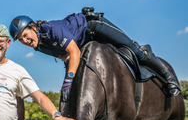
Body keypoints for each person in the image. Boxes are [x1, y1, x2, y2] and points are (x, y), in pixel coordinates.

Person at [9, 8, 181, 102]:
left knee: (135, 51)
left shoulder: (51, 29)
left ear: (33, 27)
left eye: (25, 35)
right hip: (83, 42)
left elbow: (73, 52)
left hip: (94, 27)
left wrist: (68, 80)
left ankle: (169, 78)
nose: (25, 41)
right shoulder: (39, 46)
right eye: (20, 40)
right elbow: (65, 58)